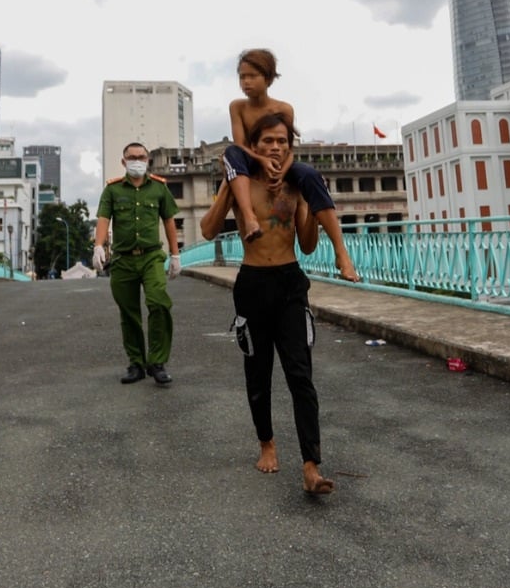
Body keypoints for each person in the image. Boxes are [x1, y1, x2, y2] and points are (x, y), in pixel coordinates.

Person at [200, 112, 337, 495]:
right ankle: (267, 443)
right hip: (253, 283)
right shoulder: (241, 183)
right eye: (267, 141)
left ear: (289, 147)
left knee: (300, 376)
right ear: (254, 146)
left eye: (282, 141)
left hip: (291, 283)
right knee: (257, 374)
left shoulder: (297, 184)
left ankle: (311, 464)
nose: (275, 147)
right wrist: (227, 190)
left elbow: (307, 245)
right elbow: (208, 229)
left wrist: (310, 209)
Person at [224, 49, 359, 283]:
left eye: (252, 76)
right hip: (249, 159)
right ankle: (249, 217)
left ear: (268, 78)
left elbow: (288, 147)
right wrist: (262, 160)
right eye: (242, 77)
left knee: (309, 174)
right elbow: (240, 145)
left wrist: (283, 170)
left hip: (280, 162)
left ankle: (341, 253)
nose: (245, 82)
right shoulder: (238, 107)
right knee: (231, 152)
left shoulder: (283, 108)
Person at [92, 142, 181, 385]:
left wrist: (175, 255)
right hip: (123, 259)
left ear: (148, 159)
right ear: (123, 162)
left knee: (159, 302)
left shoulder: (160, 188)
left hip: (152, 256)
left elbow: (169, 221)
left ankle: (157, 362)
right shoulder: (112, 190)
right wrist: (98, 245)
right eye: (131, 157)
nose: (137, 161)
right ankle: (136, 363)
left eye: (141, 156)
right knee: (129, 313)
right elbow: (103, 219)